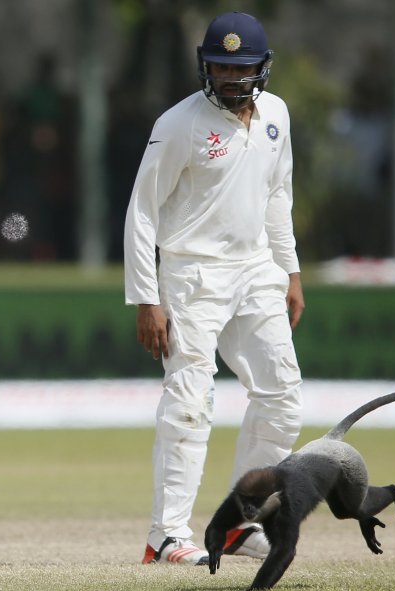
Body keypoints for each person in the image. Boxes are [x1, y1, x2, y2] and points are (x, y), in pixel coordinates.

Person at [123, 12, 304, 566]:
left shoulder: (275, 115)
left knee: (283, 401)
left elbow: (278, 196)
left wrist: (290, 270)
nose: (229, 76)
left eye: (240, 67)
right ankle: (166, 535)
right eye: (218, 66)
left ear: (262, 68)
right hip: (192, 273)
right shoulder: (180, 124)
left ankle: (237, 524)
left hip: (255, 271)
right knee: (189, 402)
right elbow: (142, 212)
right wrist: (146, 297)